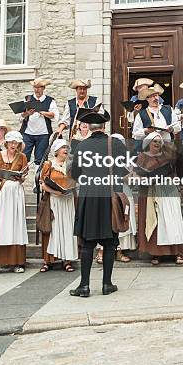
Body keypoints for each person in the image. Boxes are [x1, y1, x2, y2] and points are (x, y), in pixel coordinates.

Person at [69, 109, 127, 297]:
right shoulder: (116, 144)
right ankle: (107, 284)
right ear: (104, 127)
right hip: (109, 196)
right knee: (109, 244)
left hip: (89, 198)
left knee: (87, 244)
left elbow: (75, 174)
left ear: (90, 128)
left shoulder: (81, 147)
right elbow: (124, 169)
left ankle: (84, 286)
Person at [0, 131, 29, 277]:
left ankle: (17, 262)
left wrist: (20, 177)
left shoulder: (22, 157)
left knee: (15, 226)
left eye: (16, 143)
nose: (13, 145)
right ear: (6, 143)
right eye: (11, 142)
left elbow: (23, 178)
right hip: (2, 194)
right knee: (0, 226)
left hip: (15, 194)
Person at [136, 132, 183, 266]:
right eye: (154, 141)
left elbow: (174, 172)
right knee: (155, 222)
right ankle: (156, 253)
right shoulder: (141, 157)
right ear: (148, 143)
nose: (157, 144)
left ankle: (177, 252)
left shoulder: (167, 156)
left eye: (159, 142)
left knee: (173, 222)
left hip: (168, 191)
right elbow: (137, 176)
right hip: (150, 193)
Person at [95, 133, 137, 264]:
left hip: (123, 191)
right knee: (107, 219)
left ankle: (120, 250)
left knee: (123, 218)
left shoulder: (128, 159)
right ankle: (101, 250)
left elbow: (132, 178)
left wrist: (127, 176)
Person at [39, 139, 78, 272]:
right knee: (53, 229)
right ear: (56, 151)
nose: (65, 150)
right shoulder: (49, 164)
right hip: (54, 200)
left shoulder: (71, 165)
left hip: (68, 201)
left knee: (67, 228)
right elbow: (43, 184)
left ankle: (67, 260)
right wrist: (56, 191)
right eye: (62, 148)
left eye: (66, 147)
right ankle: (47, 260)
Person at [20, 78, 59, 166]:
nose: (37, 89)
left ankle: (39, 179)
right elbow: (20, 116)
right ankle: (21, 178)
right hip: (27, 133)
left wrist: (43, 112)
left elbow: (55, 116)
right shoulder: (27, 99)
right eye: (35, 87)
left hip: (43, 134)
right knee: (23, 158)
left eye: (39, 87)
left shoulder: (50, 100)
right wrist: (28, 113)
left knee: (41, 160)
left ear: (43, 88)